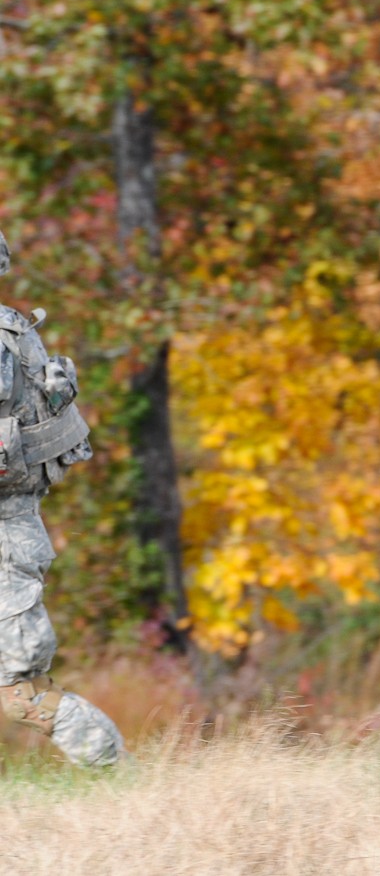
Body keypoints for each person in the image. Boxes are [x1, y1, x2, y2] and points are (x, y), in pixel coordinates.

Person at [0, 230, 127, 767]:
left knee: (21, 692)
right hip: (16, 528)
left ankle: (115, 771)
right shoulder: (16, 332)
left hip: (6, 539)